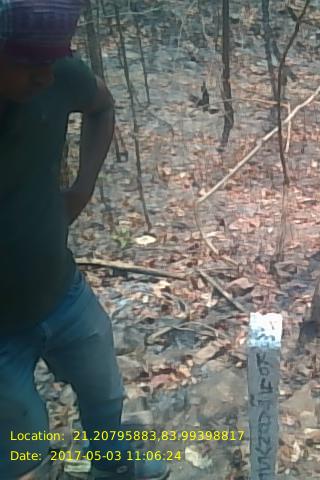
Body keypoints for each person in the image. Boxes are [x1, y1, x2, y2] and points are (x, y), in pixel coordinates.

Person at [0, 1, 170, 479]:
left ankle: (112, 464)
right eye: (29, 63)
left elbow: (102, 106)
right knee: (21, 443)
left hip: (62, 291)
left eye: (53, 61)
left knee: (104, 393)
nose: (44, 77)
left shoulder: (57, 79)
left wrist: (82, 187)